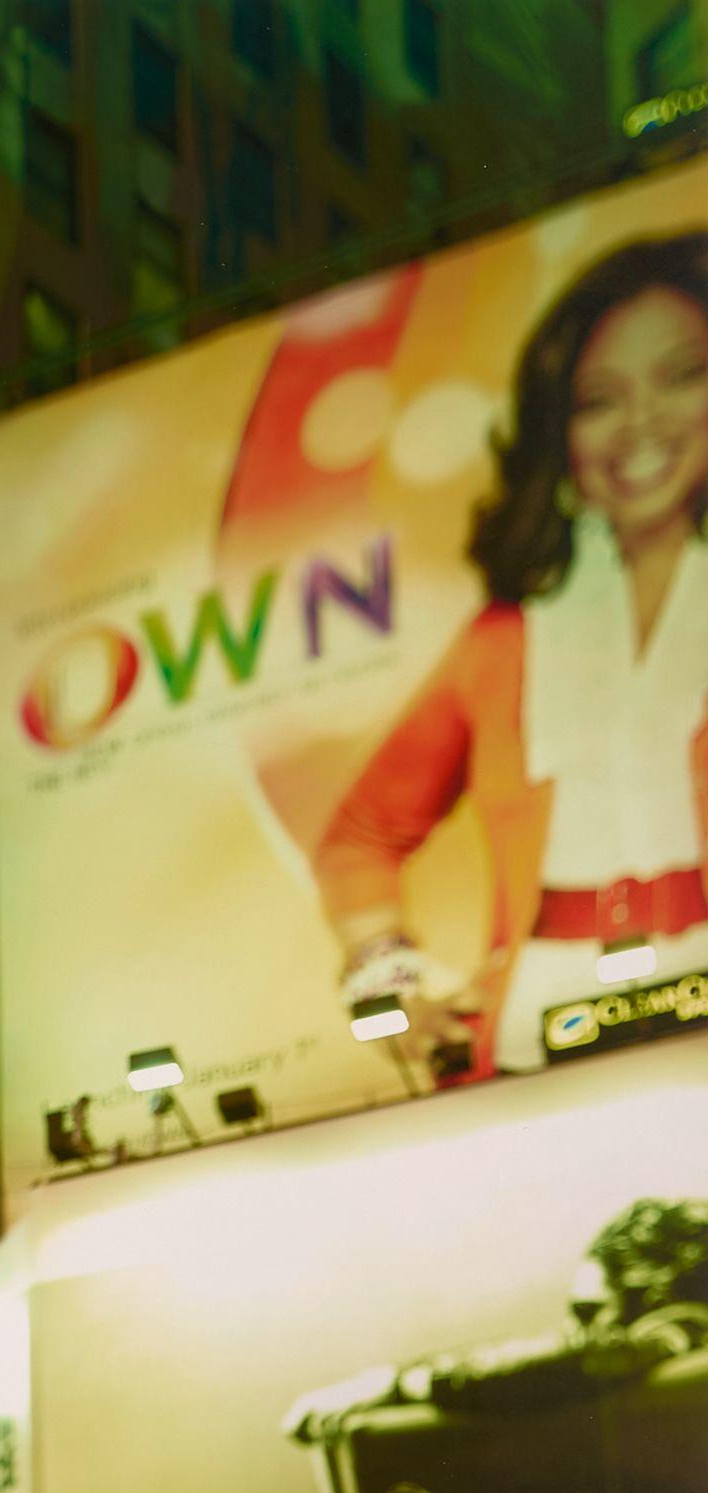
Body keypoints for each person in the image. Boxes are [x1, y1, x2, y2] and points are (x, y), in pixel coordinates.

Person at [319, 229, 708, 1077]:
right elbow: (360, 835)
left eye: (683, 377)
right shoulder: (507, 637)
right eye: (599, 398)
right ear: (558, 428)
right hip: (546, 1010)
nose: (641, 424)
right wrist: (387, 985)